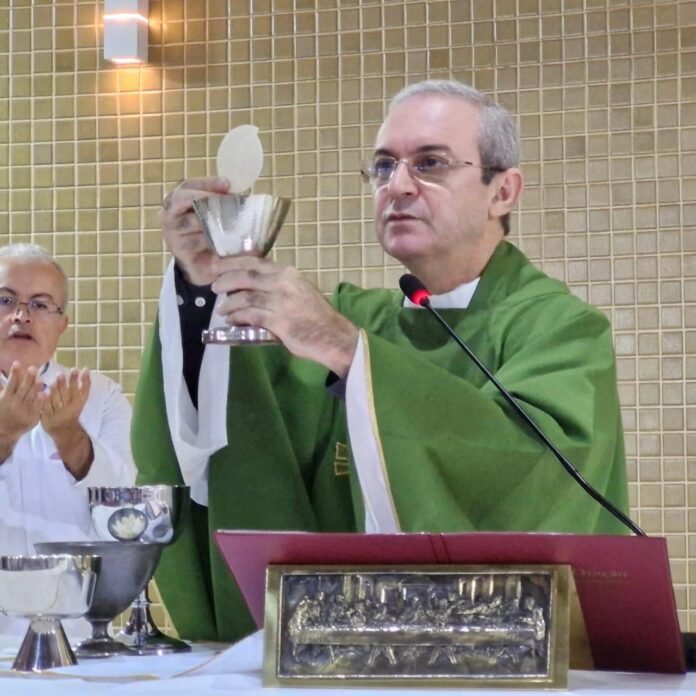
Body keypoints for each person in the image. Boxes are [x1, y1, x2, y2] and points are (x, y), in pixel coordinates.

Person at [133, 80, 630, 642]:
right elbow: (245, 435)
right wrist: (203, 283)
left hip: (500, 661)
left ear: (502, 191)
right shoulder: (354, 316)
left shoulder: (561, 329)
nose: (398, 185)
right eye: (384, 166)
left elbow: (536, 476)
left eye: (431, 163)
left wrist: (352, 355)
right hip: (338, 657)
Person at [0, 244, 136, 558]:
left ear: (62, 326)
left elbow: (128, 512)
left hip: (78, 587)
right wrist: (4, 433)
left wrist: (70, 437)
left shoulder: (100, 395)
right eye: (5, 300)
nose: (22, 316)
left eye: (40, 304)